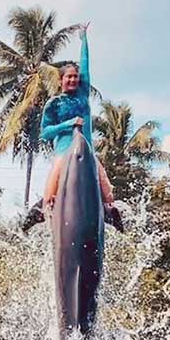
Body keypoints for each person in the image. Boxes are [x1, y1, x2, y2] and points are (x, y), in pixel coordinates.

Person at [22, 23, 123, 233]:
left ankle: (107, 212)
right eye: (69, 77)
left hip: (86, 151)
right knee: (54, 181)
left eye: (76, 77)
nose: (73, 79)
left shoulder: (83, 94)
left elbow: (85, 65)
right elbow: (46, 132)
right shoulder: (54, 104)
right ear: (61, 80)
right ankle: (44, 209)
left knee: (107, 188)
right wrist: (69, 123)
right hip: (63, 152)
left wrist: (84, 38)